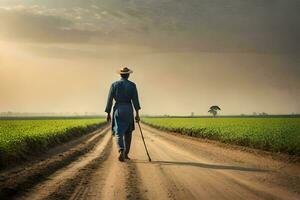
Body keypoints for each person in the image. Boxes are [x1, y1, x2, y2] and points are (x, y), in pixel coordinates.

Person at [105, 67, 141, 162]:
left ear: (120, 75)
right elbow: (135, 100)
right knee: (128, 132)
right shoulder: (132, 85)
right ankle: (126, 154)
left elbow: (109, 100)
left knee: (118, 131)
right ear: (128, 75)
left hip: (118, 110)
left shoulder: (114, 85)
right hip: (128, 109)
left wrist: (108, 113)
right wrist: (137, 114)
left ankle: (121, 149)